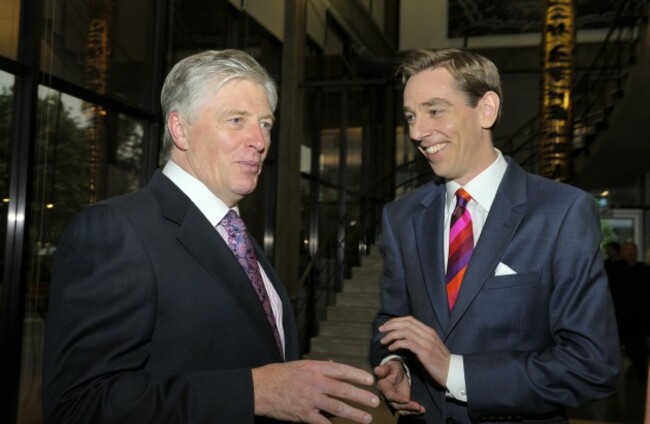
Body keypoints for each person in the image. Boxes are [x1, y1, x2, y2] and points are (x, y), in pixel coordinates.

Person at [42, 49, 380, 424]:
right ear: (179, 129)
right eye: (236, 120)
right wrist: (255, 393)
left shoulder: (234, 234)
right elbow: (80, 405)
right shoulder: (115, 230)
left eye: (265, 124)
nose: (259, 140)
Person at [368, 48, 620, 423]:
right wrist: (395, 363)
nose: (417, 132)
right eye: (410, 116)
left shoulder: (562, 212)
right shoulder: (401, 216)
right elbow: (391, 320)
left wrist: (455, 372)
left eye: (435, 110)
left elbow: (592, 365)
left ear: (486, 109)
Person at [610, 241, 650, 377]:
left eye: (633, 250)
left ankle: (641, 374)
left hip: (639, 316)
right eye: (627, 250)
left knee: (639, 347)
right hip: (618, 315)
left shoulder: (644, 269)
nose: (630, 253)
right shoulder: (613, 269)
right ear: (622, 252)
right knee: (614, 346)